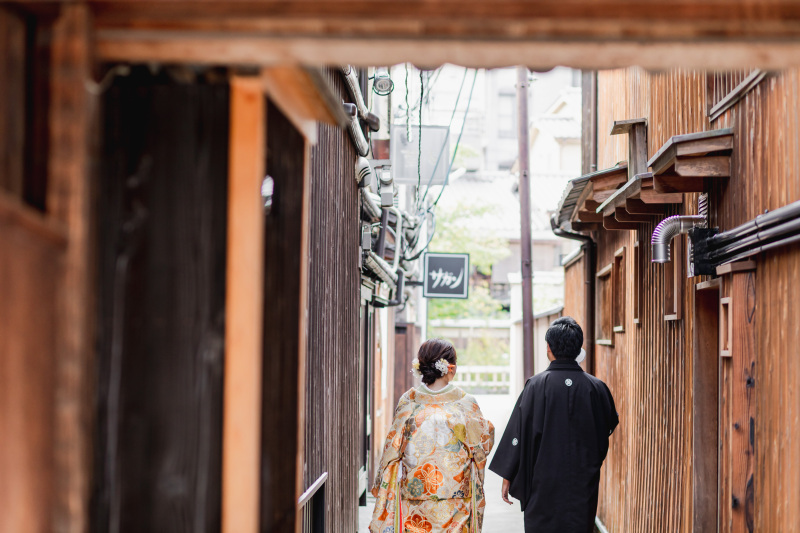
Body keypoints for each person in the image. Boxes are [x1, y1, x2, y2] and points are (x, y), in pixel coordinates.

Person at [488, 316, 618, 532]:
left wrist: (508, 473)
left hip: (542, 481)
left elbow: (518, 433)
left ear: (548, 347)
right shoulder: (596, 388)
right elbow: (608, 425)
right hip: (582, 480)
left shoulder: (535, 386)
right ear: (578, 348)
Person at [370, 338, 495, 533]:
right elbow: (482, 446)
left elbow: (392, 449)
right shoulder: (466, 403)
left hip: (414, 496)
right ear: (451, 368)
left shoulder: (409, 402)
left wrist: (382, 481)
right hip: (456, 498)